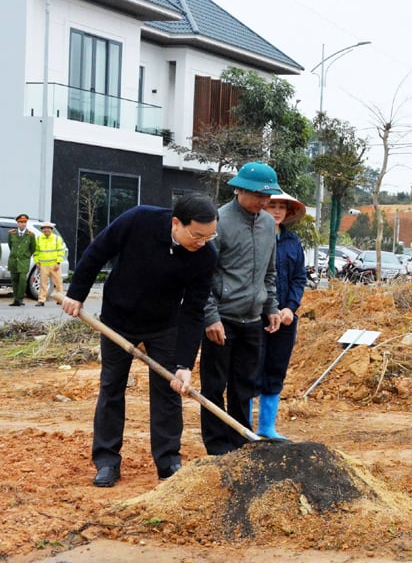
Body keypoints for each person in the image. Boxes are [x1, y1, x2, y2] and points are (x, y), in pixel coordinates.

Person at [61, 195, 219, 487]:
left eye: (210, 236)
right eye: (197, 235)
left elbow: (194, 310)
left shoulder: (205, 255)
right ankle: (107, 460)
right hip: (118, 318)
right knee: (112, 386)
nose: (202, 242)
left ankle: (168, 460)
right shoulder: (139, 219)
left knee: (168, 390)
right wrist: (77, 293)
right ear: (176, 223)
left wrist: (185, 363)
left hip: (164, 324)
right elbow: (98, 252)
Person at [200, 161, 282, 455]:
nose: (265, 202)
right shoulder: (219, 222)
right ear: (241, 190)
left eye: (268, 197)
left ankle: (239, 440)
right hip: (221, 319)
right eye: (261, 196)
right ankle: (216, 445)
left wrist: (270, 307)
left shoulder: (267, 224)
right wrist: (210, 316)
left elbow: (269, 274)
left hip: (251, 320)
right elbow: (203, 276)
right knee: (214, 384)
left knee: (244, 385)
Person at [250, 192, 307, 439]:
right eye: (272, 205)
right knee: (250, 368)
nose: (276, 211)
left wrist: (290, 308)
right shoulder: (253, 236)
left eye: (281, 207)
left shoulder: (292, 242)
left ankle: (266, 427)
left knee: (276, 367)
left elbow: (299, 278)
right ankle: (242, 425)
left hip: (285, 318)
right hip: (254, 316)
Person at [32, 221, 66, 306]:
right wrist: (37, 262)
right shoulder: (39, 239)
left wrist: (58, 262)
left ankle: (60, 299)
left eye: (48, 228)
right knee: (43, 283)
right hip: (43, 265)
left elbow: (61, 251)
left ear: (51, 229)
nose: (46, 230)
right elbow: (36, 251)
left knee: (58, 283)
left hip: (54, 265)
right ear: (42, 229)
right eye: (44, 228)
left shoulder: (57, 238)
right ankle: (41, 300)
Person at [7, 214, 35, 306]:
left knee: (22, 279)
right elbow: (10, 246)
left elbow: (32, 248)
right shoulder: (12, 234)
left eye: (24, 222)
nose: (23, 224)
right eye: (21, 222)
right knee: (14, 280)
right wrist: (16, 254)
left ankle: (20, 298)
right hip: (13, 261)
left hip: (24, 261)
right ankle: (16, 299)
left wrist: (26, 255)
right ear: (17, 223)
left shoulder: (30, 235)